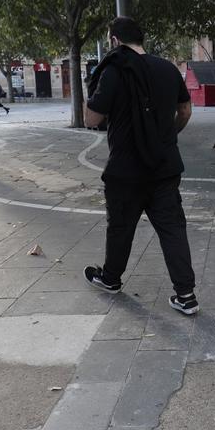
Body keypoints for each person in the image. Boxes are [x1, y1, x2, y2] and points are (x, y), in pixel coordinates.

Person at [82, 17, 198, 315]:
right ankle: (186, 295)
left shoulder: (111, 71)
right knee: (173, 229)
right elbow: (185, 109)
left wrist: (91, 83)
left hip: (125, 171)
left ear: (114, 41)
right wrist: (167, 135)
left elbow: (90, 120)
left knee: (120, 228)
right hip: (164, 167)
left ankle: (111, 278)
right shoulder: (167, 68)